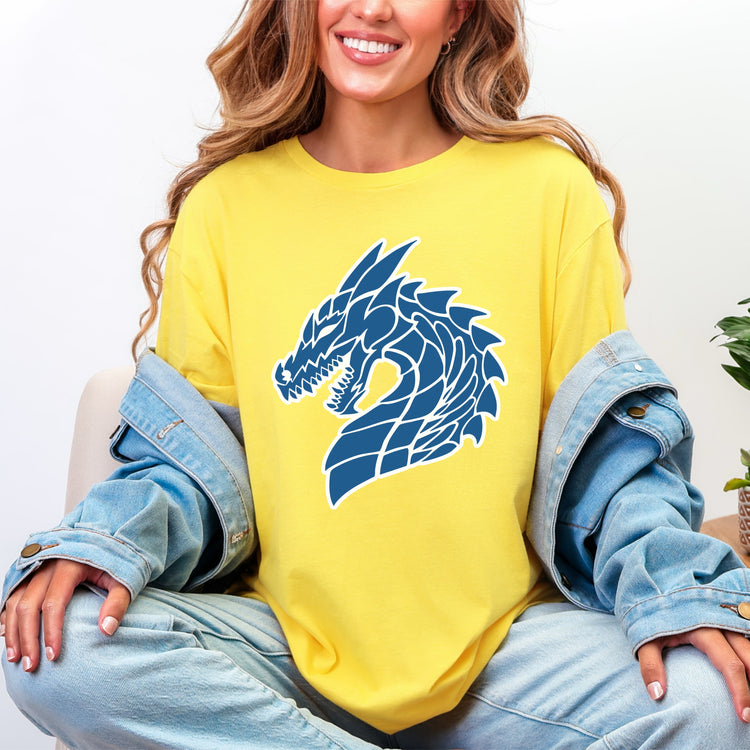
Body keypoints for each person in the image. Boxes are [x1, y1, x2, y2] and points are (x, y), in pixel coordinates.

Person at [3, 1, 750, 747]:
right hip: (278, 656)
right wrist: (105, 542)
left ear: (458, 14)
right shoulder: (226, 205)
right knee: (60, 652)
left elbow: (607, 456)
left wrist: (676, 592)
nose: (372, 8)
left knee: (713, 700)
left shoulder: (548, 191)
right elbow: (190, 467)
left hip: (510, 657)